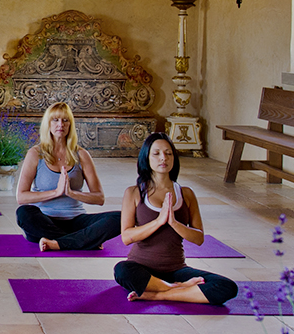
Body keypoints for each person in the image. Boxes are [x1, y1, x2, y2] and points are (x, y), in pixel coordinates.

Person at [113, 131, 239, 306]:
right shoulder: (134, 193)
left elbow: (198, 238)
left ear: (174, 158)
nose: (163, 158)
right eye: (156, 154)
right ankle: (178, 289)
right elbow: (126, 237)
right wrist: (159, 221)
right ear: (146, 158)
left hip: (177, 270)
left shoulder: (186, 194)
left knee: (226, 287)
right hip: (141, 268)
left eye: (168, 153)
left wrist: (174, 223)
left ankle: (160, 294)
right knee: (122, 270)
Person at [14, 102, 120, 251]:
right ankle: (82, 240)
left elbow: (99, 198)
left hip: (76, 220)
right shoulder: (35, 154)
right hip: (45, 221)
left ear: (70, 124)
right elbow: (21, 197)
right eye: (55, 120)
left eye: (65, 120)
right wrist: (56, 192)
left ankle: (59, 242)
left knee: (120, 218)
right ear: (48, 124)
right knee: (23, 214)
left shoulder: (81, 155)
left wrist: (72, 193)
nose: (60, 124)